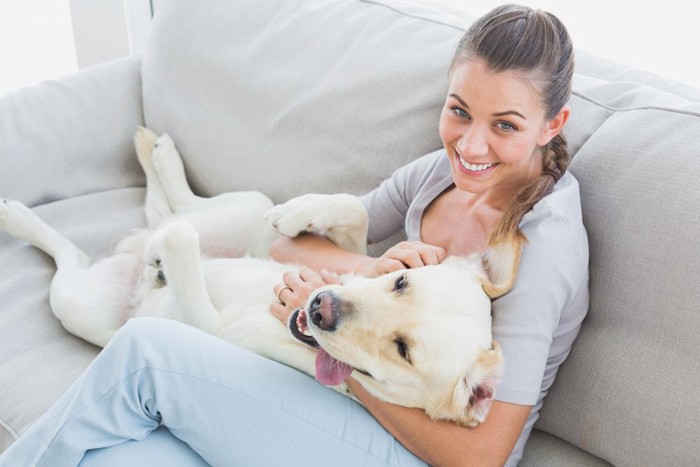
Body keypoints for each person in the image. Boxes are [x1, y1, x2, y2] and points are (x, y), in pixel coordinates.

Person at [0, 4, 588, 466]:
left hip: (423, 450)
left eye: (505, 126)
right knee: (120, 456)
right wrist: (375, 276)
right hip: (343, 403)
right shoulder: (440, 175)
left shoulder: (543, 245)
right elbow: (284, 243)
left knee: (143, 354)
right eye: (459, 110)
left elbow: (479, 456)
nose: (471, 145)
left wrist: (345, 359)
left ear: (552, 125)